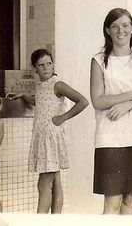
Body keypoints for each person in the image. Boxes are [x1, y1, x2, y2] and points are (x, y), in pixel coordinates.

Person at [90, 8, 132, 215]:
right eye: (115, 26)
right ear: (107, 31)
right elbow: (98, 100)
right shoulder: (99, 61)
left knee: (129, 200)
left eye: (126, 25)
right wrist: (131, 94)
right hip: (111, 138)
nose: (121, 30)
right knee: (113, 201)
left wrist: (131, 104)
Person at [15, 48, 89, 213]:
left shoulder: (58, 83)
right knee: (55, 183)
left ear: (53, 64)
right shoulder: (41, 85)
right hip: (42, 137)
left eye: (49, 63)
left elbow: (83, 102)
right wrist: (23, 96)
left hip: (51, 138)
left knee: (43, 185)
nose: (46, 68)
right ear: (35, 68)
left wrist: (62, 117)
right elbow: (40, 102)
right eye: (41, 65)